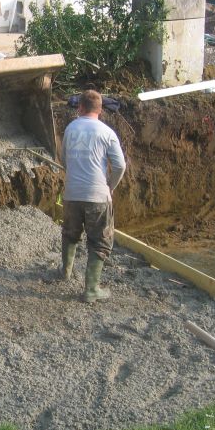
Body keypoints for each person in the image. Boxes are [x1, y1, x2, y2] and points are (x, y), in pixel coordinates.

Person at [60, 89, 126, 303]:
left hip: (71, 194)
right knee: (99, 242)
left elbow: (64, 159)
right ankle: (91, 290)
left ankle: (65, 273)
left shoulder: (70, 129)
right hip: (97, 195)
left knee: (70, 234)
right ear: (100, 110)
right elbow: (120, 165)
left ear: (80, 107)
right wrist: (111, 186)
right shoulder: (106, 132)